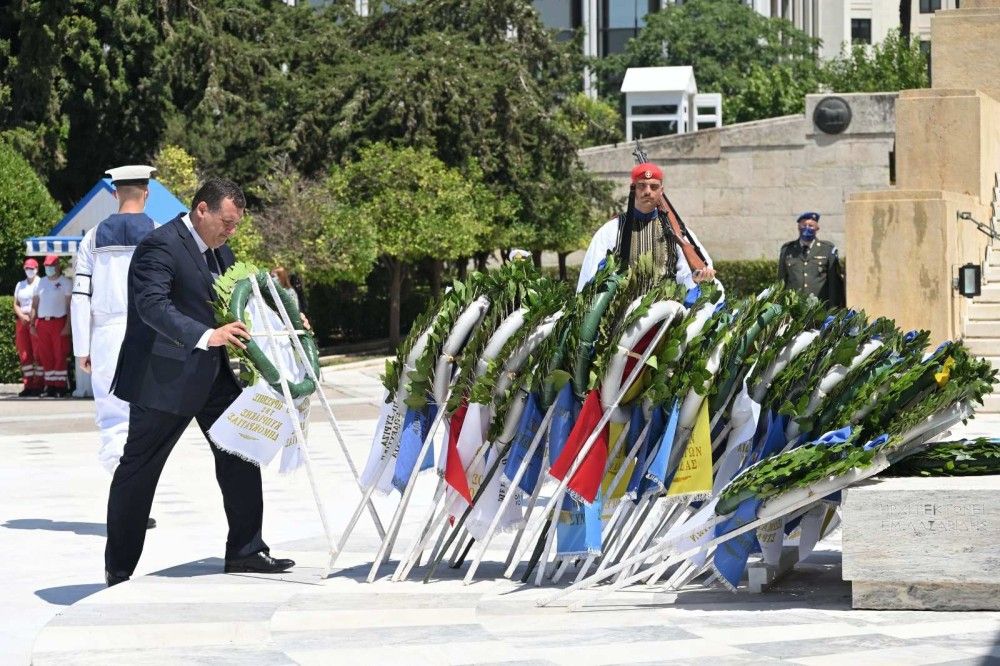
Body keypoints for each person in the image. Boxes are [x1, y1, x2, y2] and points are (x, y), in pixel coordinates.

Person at [105, 178, 294, 586]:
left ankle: (246, 551)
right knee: (139, 471)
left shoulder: (220, 250)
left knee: (240, 452)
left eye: (236, 224)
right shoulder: (159, 246)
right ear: (202, 210)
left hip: (213, 376)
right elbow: (153, 306)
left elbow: (242, 298)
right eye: (226, 222)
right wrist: (208, 336)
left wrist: (287, 321)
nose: (231, 231)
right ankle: (119, 569)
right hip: (163, 378)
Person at [73, 165, 159, 482]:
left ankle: (121, 490)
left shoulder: (92, 238)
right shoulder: (161, 233)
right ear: (146, 193)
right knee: (148, 419)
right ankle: (139, 498)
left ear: (114, 193)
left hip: (106, 336)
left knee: (112, 418)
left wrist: (82, 348)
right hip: (149, 332)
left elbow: (80, 296)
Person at [577, 162, 717, 294]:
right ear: (633, 189)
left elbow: (688, 276)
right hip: (621, 314)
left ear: (661, 191)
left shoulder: (676, 231)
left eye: (653, 187)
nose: (647, 191)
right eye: (641, 186)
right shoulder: (611, 230)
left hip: (667, 313)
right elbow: (590, 277)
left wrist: (696, 278)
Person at [778, 212, 845, 307]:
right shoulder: (787, 249)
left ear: (817, 228)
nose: (807, 228)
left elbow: (833, 283)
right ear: (798, 227)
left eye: (811, 225)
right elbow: (781, 281)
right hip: (794, 307)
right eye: (804, 225)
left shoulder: (827, 249)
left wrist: (833, 309)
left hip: (819, 307)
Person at [30, 255, 72, 397]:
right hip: (42, 323)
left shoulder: (65, 282)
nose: (48, 268)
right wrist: (32, 323)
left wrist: (68, 324)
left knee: (60, 353)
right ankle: (50, 385)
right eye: (46, 266)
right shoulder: (40, 282)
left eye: (51, 266)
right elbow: (35, 304)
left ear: (58, 266)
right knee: (45, 355)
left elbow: (69, 306)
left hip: (59, 321)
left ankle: (60, 386)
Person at [13, 258, 43, 397]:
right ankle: (28, 385)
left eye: (31, 268)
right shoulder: (20, 284)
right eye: (27, 268)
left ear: (37, 269)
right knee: (24, 354)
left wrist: (31, 319)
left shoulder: (40, 283)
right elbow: (16, 303)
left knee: (38, 353)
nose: (29, 271)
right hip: (22, 321)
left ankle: (39, 385)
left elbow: (40, 303)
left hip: (35, 320)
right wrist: (21, 315)